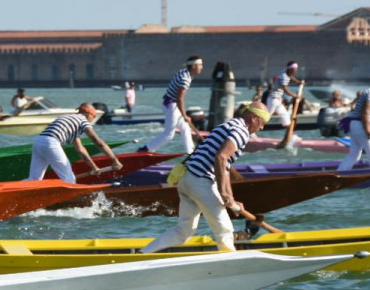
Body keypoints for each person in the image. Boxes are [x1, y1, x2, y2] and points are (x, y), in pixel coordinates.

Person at [141, 101, 269, 254]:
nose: (261, 128)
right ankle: (230, 265)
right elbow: (221, 158)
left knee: (184, 231)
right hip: (200, 180)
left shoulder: (228, 125)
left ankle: (144, 253)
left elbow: (225, 167)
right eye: (262, 123)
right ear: (254, 118)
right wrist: (223, 193)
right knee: (225, 230)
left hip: (186, 178)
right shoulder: (241, 131)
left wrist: (230, 197)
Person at [26, 103, 122, 183]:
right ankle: (67, 202)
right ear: (89, 114)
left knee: (34, 179)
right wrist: (115, 160)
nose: (93, 120)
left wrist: (94, 167)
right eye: (94, 117)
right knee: (69, 179)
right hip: (51, 142)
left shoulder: (68, 118)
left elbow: (80, 150)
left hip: (38, 141)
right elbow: (98, 142)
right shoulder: (83, 120)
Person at [138, 55, 204, 153]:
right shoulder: (185, 79)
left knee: (185, 128)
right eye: (200, 65)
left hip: (170, 104)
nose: (202, 67)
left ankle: (190, 153)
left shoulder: (183, 72)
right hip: (172, 105)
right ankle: (144, 150)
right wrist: (184, 115)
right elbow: (180, 99)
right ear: (194, 66)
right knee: (169, 135)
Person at [337, 75, 370, 171]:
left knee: (354, 154)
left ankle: (340, 173)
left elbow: (369, 116)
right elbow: (365, 113)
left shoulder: (368, 91)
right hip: (359, 124)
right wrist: (369, 131)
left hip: (354, 124)